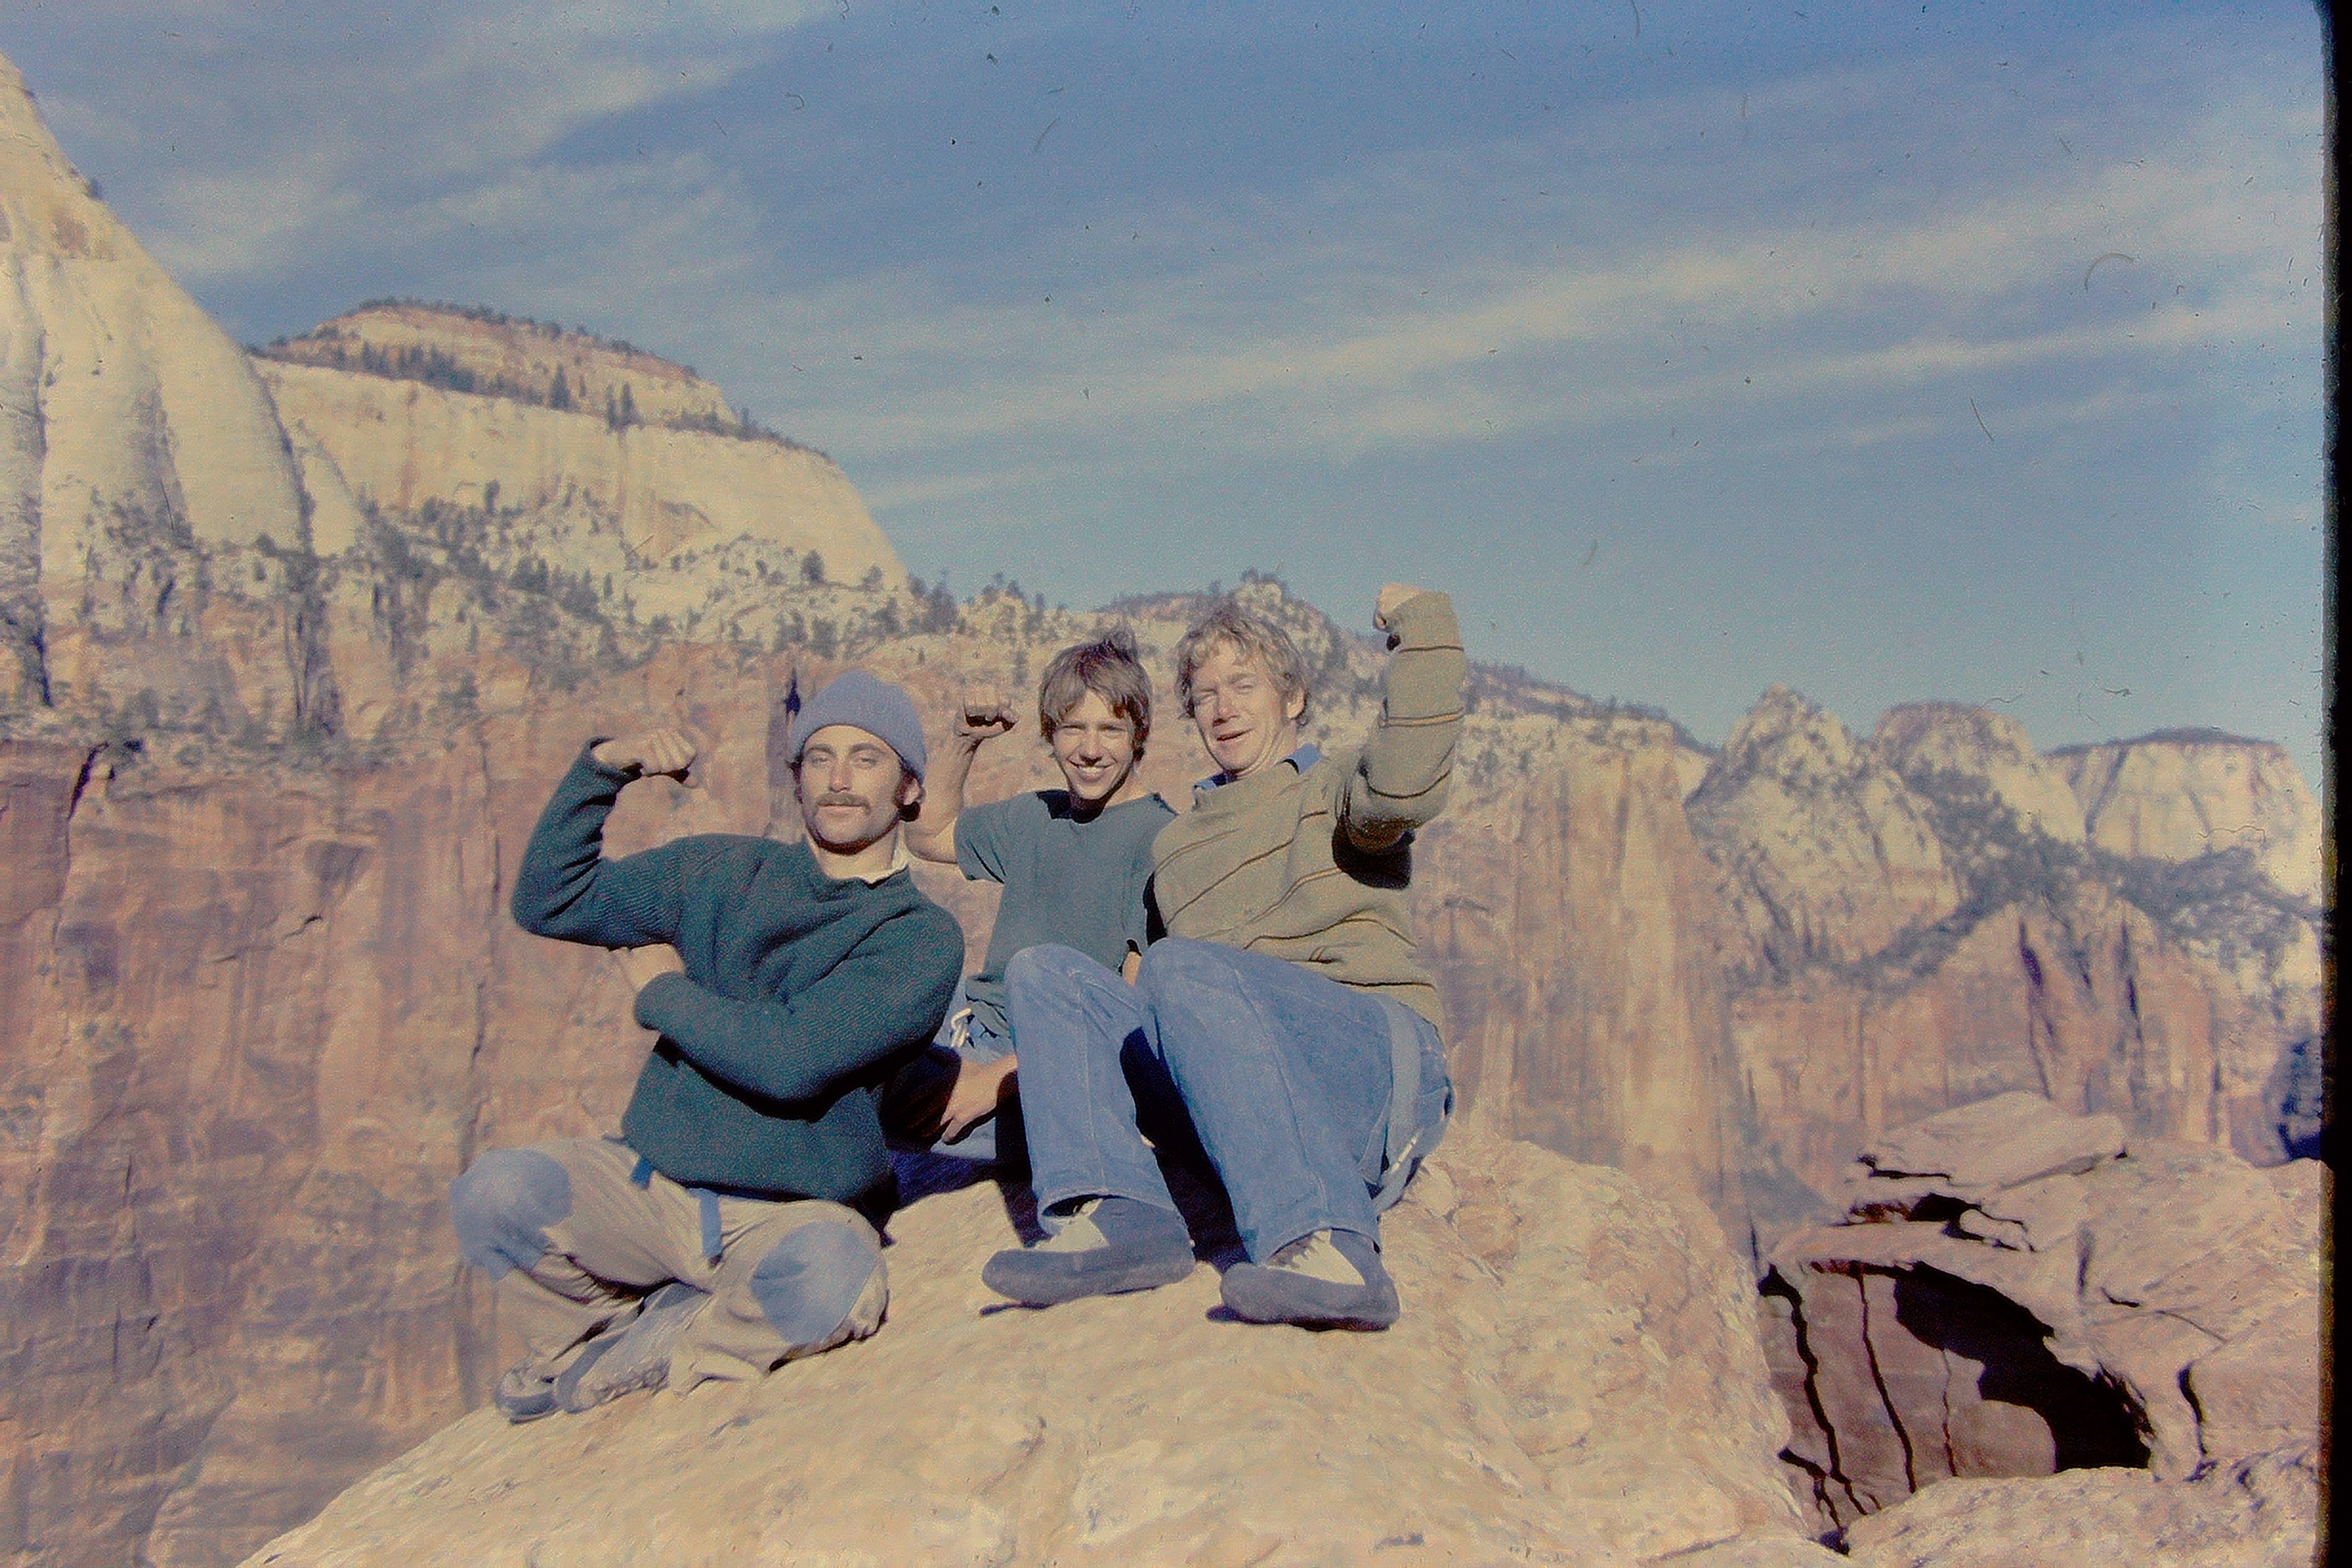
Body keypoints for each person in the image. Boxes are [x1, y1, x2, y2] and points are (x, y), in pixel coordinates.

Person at [448, 670, 963, 1420]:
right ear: (795, 778)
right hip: (651, 1189)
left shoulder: (918, 936)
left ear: (910, 788)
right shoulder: (721, 870)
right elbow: (549, 900)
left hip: (787, 1212)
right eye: (819, 757)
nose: (841, 779)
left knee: (835, 1276)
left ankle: (680, 1338)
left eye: (867, 758)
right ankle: (585, 1331)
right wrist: (606, 769)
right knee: (493, 1192)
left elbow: (791, 1060)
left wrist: (661, 992)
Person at [982, 585, 1465, 1329]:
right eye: (1204, 694)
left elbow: (1405, 782)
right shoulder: (1176, 848)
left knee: (1184, 967)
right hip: (1237, 1090)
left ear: (1294, 696)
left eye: (1243, 685)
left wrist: (1423, 629)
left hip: (1369, 1068)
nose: (1223, 708)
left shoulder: (1334, 787)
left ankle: (1329, 1244)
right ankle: (1122, 1215)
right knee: (1046, 972)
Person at [887, 629, 1175, 1163]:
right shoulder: (1035, 816)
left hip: (1051, 1071)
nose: (1090, 751)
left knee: (868, 1100)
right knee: (858, 1006)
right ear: (1050, 733)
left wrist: (989, 1084)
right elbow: (925, 835)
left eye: (1111, 730)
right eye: (1073, 729)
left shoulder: (1157, 841)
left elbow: (1125, 1018)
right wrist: (963, 740)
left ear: (1139, 735)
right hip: (975, 1024)